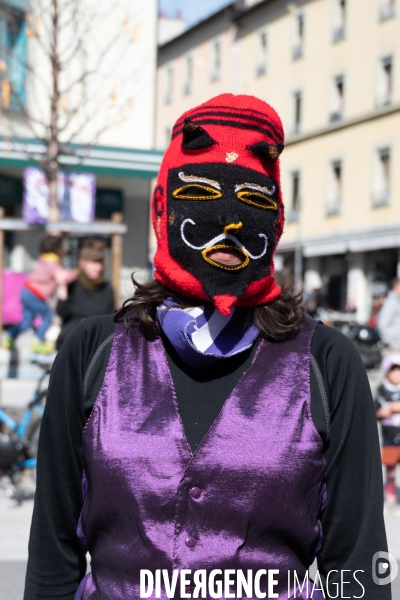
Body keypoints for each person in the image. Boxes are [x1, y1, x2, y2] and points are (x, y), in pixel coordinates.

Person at [24, 95, 389, 599]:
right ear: (162, 208)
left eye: (254, 201)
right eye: (200, 192)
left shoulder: (327, 362)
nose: (230, 222)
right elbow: (53, 556)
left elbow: (359, 568)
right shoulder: (93, 352)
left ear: (276, 220)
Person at [5, 234, 76, 354]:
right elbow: (63, 277)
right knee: (48, 315)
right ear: (57, 249)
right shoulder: (52, 263)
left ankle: (9, 337)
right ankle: (38, 340)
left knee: (27, 320)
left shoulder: (43, 260)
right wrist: (76, 272)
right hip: (35, 294)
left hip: (26, 291)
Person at [56, 239, 115, 349]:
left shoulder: (106, 288)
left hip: (98, 343)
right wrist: (62, 287)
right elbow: (61, 312)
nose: (98, 267)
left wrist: (92, 323)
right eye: (93, 262)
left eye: (100, 262)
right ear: (83, 263)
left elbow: (110, 319)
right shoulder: (72, 285)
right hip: (71, 342)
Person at [375, 353, 400, 510]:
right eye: (394, 370)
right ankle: (389, 494)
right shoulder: (382, 391)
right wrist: (380, 412)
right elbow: (373, 411)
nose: (397, 374)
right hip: (390, 436)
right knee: (390, 466)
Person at [378, 278, 400, 350]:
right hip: (394, 346)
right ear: (396, 286)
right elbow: (382, 324)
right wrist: (391, 344)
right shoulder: (391, 302)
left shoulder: (396, 301)